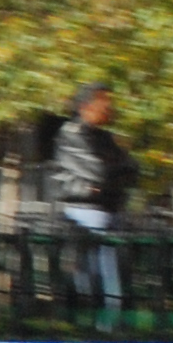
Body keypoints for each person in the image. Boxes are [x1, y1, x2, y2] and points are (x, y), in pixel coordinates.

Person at [47, 82, 134, 313]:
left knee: (111, 283)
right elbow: (99, 172)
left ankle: (109, 323)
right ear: (85, 106)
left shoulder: (105, 137)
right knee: (92, 281)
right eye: (103, 100)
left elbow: (132, 170)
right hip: (85, 216)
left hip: (110, 213)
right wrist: (110, 176)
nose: (109, 106)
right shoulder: (72, 133)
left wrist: (109, 178)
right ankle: (93, 324)